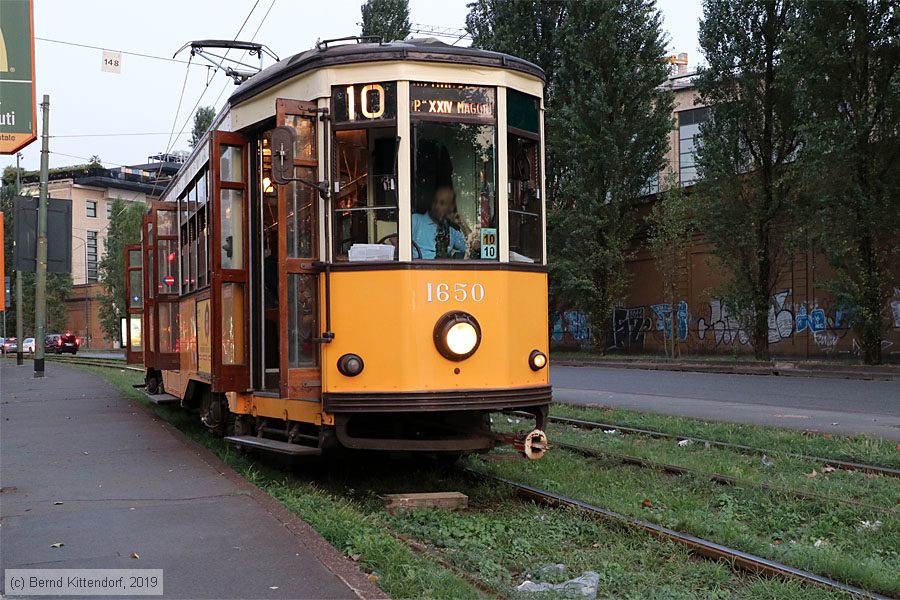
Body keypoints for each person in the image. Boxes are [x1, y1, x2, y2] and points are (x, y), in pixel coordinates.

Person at [411, 185, 472, 259]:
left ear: (451, 207)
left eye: (442, 203)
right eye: (435, 201)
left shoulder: (451, 230)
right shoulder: (415, 220)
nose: (436, 206)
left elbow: (470, 247)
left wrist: (462, 223)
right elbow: (395, 241)